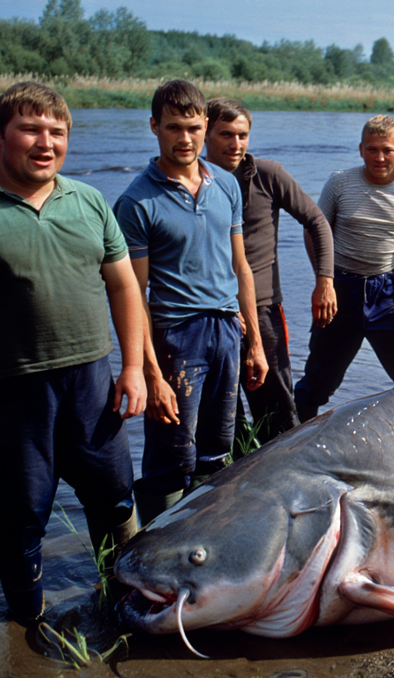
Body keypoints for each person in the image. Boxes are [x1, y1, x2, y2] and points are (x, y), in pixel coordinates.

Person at [0, 82, 146, 627]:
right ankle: (29, 621)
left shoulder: (87, 201)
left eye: (57, 132)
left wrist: (133, 367)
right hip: (10, 392)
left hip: (93, 380)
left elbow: (124, 286)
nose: (46, 142)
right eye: (31, 130)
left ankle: (125, 599)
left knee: (114, 500)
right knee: (20, 515)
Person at [114, 80, 268, 523]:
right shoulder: (138, 202)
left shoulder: (226, 185)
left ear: (205, 127)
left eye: (194, 128)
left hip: (227, 331)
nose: (186, 139)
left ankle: (203, 550)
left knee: (216, 453)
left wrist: (254, 342)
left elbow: (241, 268)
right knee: (170, 458)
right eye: (174, 128)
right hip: (176, 338)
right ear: (154, 128)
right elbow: (133, 296)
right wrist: (151, 375)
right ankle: (152, 557)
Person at [204, 98, 336, 441]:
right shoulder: (195, 180)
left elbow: (316, 221)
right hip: (211, 312)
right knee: (219, 418)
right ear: (205, 133)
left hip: (263, 309)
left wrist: (325, 279)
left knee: (278, 412)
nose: (235, 144)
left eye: (243, 135)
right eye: (226, 135)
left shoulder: (267, 175)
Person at [293, 115, 394, 421]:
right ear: (360, 149)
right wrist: (323, 280)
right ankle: (289, 442)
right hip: (340, 290)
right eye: (371, 150)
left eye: (387, 150)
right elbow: (315, 231)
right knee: (318, 384)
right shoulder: (340, 182)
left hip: (387, 295)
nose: (379, 157)